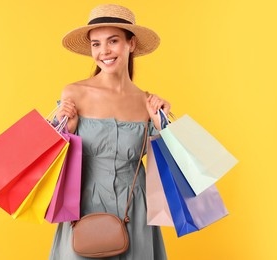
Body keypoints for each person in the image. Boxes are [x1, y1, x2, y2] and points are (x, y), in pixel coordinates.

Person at [50, 4, 170, 259]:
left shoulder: (147, 102)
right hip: (83, 208)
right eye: (96, 44)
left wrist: (164, 128)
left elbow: (169, 172)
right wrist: (64, 132)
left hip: (135, 210)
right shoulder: (74, 93)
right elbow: (50, 168)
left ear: (132, 44)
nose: (103, 51)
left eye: (113, 41)